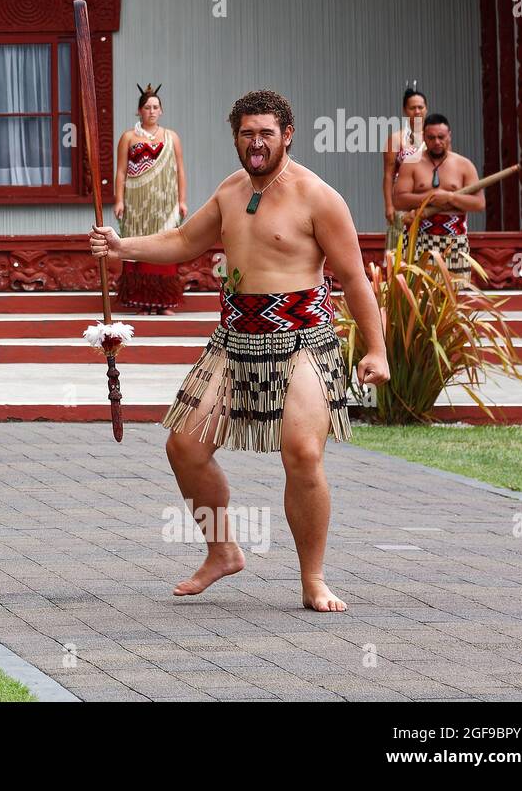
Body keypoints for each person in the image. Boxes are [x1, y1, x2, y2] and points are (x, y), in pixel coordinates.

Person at [90, 89, 390, 612]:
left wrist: (376, 349)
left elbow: (354, 278)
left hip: (302, 339)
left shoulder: (318, 197)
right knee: (184, 446)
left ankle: (313, 578)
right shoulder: (231, 191)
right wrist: (123, 247)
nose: (256, 143)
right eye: (247, 134)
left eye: (266, 134)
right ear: (236, 137)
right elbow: (185, 241)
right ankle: (223, 550)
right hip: (234, 339)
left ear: (287, 136)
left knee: (301, 454)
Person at [112, 83, 188, 314]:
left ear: (161, 111)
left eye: (156, 107)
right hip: (137, 203)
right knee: (139, 247)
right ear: (139, 111)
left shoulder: (171, 137)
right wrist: (119, 200)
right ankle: (142, 302)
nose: (152, 111)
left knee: (165, 245)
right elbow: (121, 171)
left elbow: (180, 170)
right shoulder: (128, 137)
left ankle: (164, 302)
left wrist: (182, 200)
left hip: (164, 202)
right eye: (147, 107)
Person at [392, 112, 484, 278]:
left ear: (449, 136)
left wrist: (450, 197)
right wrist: (431, 196)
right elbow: (398, 200)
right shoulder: (411, 163)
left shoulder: (464, 165)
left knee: (454, 294)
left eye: (441, 137)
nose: (437, 142)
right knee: (418, 294)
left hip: (455, 241)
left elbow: (478, 203)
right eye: (431, 137)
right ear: (424, 138)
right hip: (418, 239)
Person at [381, 83, 427, 252]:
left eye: (420, 107)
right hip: (403, 206)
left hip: (430, 206)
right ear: (404, 110)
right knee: (400, 254)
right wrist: (389, 206)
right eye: (412, 108)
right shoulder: (396, 139)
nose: (417, 111)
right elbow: (388, 175)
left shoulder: (436, 137)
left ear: (426, 109)